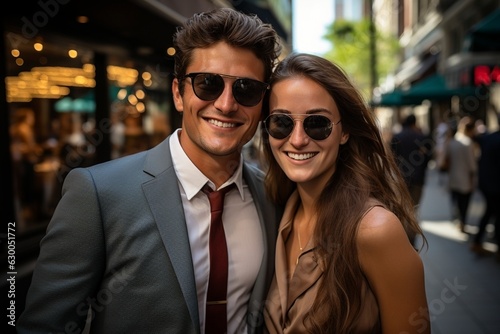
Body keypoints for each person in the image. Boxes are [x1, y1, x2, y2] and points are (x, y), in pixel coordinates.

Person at [17, 8, 282, 334]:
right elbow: (44, 326)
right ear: (178, 94)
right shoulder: (98, 193)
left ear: (263, 103)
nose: (226, 104)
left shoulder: (272, 195)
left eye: (246, 89)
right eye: (208, 84)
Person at [260, 53, 429, 333]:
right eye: (282, 123)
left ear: (345, 131)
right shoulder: (277, 211)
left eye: (317, 123)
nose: (298, 140)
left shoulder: (375, 230)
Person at [470, 113, 500, 261]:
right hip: (495, 186)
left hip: (486, 184)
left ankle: (476, 242)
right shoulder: (491, 138)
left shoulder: (488, 138)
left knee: (489, 212)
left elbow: (475, 138)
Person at [390, 113, 433, 208]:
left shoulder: (397, 137)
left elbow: (392, 156)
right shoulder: (421, 137)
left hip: (402, 175)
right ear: (415, 122)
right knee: (415, 205)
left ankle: (405, 221)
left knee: (403, 204)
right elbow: (428, 157)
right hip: (417, 176)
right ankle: (411, 221)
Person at [445, 116, 478, 233]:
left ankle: (458, 221)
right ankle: (462, 222)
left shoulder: (453, 141)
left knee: (456, 201)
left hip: (454, 176)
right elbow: (471, 165)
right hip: (465, 178)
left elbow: (447, 159)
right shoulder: (468, 143)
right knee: (464, 203)